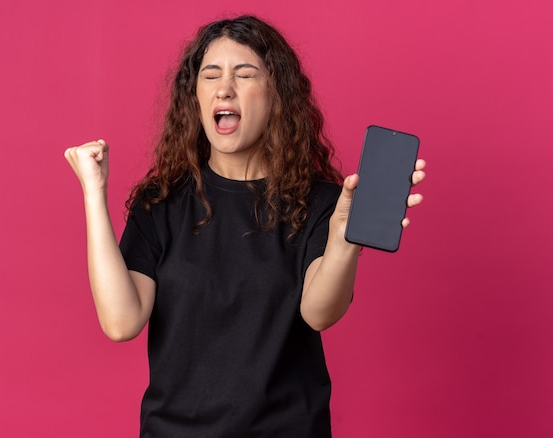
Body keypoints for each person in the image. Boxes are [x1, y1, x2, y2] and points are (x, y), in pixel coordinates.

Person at [64, 15, 425, 437]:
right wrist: (94, 192)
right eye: (210, 75)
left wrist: (345, 240)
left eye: (245, 73)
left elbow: (319, 312)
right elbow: (120, 322)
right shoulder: (161, 204)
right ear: (194, 97)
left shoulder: (322, 202)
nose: (224, 87)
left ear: (276, 94)